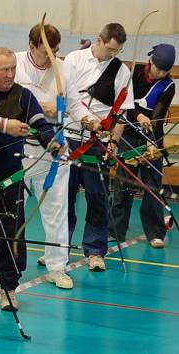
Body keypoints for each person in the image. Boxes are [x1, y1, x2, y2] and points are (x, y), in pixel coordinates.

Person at [0, 47, 60, 310]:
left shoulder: (23, 95)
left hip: (9, 176)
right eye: (5, 69)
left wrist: (52, 141)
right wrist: (4, 125)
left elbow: (41, 123)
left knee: (11, 234)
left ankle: (8, 288)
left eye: (13, 68)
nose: (11, 74)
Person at [13, 23, 92, 289]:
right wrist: (36, 108)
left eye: (55, 51)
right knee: (11, 212)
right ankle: (5, 267)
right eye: (46, 52)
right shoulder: (14, 63)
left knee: (57, 210)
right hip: (18, 149)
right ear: (32, 46)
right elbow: (2, 101)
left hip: (54, 150)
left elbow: (73, 105)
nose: (50, 57)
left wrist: (90, 120)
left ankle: (57, 266)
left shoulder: (63, 67)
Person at [64, 23, 134, 271]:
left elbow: (121, 113)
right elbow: (67, 98)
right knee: (65, 197)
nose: (113, 55)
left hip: (98, 143)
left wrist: (113, 141)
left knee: (97, 197)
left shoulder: (121, 71)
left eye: (118, 51)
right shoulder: (74, 59)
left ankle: (95, 251)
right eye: (110, 49)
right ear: (100, 40)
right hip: (70, 137)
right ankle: (59, 250)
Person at [110, 44, 175, 248]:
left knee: (153, 187)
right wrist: (138, 115)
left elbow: (157, 116)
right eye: (159, 68)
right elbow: (123, 105)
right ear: (151, 61)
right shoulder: (134, 73)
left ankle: (156, 232)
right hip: (129, 134)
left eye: (165, 71)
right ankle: (115, 230)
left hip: (152, 138)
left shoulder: (168, 85)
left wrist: (151, 140)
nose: (161, 73)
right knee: (124, 185)